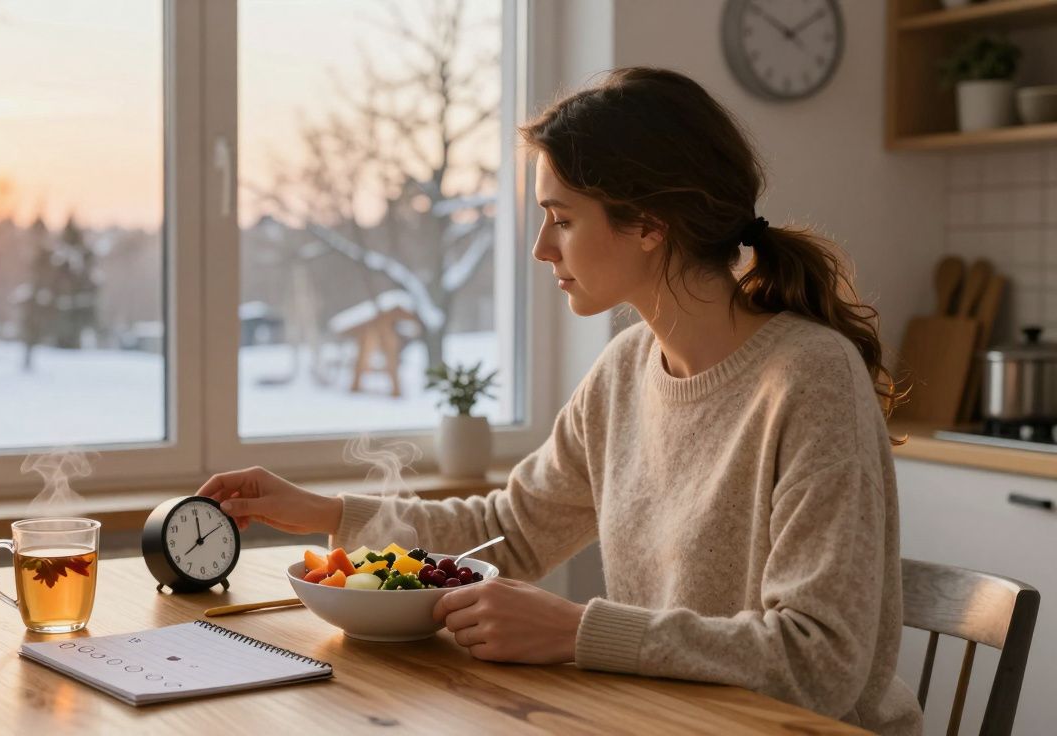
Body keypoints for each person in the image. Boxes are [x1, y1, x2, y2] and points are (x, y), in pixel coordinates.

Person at [199, 67, 921, 734]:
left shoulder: (809, 380)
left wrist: (577, 632)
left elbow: (821, 662)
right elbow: (508, 531)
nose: (543, 248)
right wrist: (327, 513)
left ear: (649, 224)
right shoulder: (623, 371)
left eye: (563, 218)